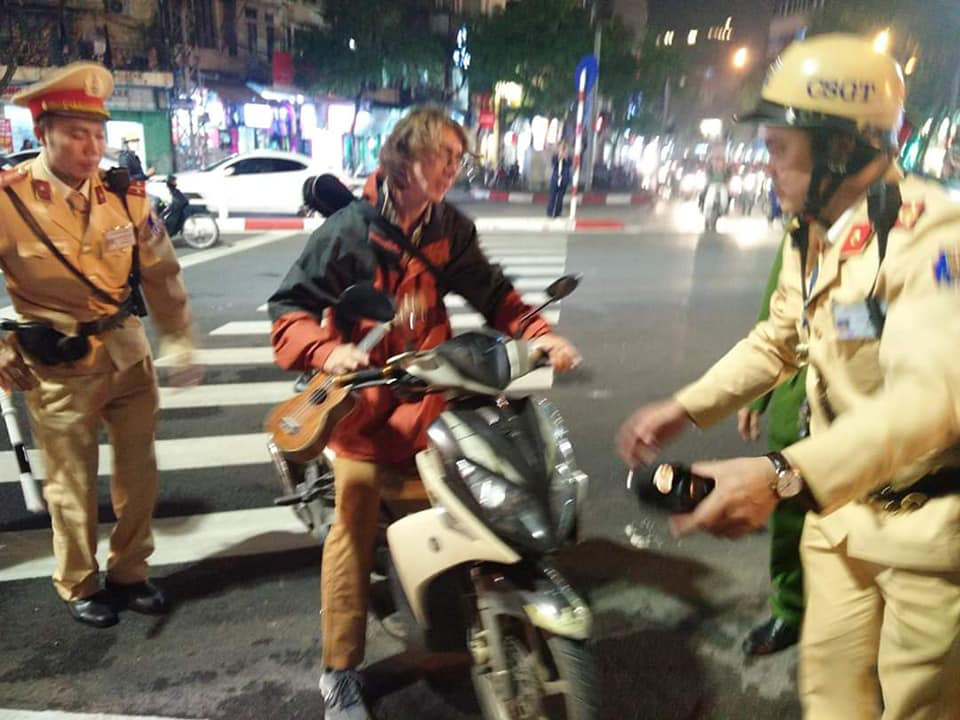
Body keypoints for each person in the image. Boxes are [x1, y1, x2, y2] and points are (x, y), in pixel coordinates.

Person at [616, 33, 960, 718]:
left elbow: (934, 398)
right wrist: (685, 408)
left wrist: (780, 473)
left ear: (840, 147)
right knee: (830, 696)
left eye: (779, 147)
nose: (763, 163)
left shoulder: (934, 235)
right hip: (836, 522)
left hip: (925, 535)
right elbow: (779, 339)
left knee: (920, 708)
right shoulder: (811, 230)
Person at [267, 106, 580, 720]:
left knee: (480, 491)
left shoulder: (446, 226)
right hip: (364, 408)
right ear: (405, 160)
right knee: (353, 525)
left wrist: (538, 332)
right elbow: (288, 311)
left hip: (429, 393)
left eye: (458, 159)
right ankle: (339, 671)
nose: (454, 168)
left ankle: (477, 603)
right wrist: (327, 349)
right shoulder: (347, 232)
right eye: (444, 157)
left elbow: (491, 290)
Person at [0, 62, 198, 628]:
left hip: (127, 354)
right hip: (58, 364)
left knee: (139, 475)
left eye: (99, 135)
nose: (92, 149)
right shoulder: (10, 201)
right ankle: (79, 580)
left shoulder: (126, 196)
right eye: (77, 135)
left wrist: (179, 338)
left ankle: (131, 570)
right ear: (43, 133)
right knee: (71, 483)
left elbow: (161, 272)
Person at [737, 242, 808, 656]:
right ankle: (790, 609)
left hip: (866, 409)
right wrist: (756, 393)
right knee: (789, 515)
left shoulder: (905, 217)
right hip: (796, 404)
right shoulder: (801, 230)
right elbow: (774, 316)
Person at [547, 142, 572, 218]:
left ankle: (558, 213)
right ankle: (550, 213)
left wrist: (566, 158)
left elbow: (570, 164)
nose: (563, 151)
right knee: (552, 196)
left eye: (564, 149)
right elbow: (553, 164)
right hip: (555, 179)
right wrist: (559, 157)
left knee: (560, 198)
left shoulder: (568, 157)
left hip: (564, 180)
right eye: (561, 149)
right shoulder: (555, 157)